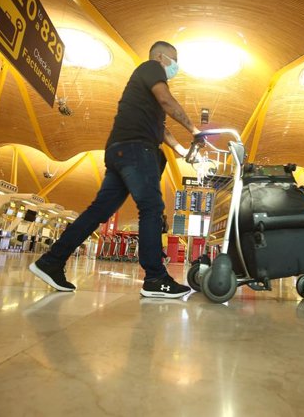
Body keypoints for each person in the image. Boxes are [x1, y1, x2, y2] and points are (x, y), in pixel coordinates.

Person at [30, 41, 200, 298]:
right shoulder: (151, 67)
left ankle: (51, 261)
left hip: (121, 151)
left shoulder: (144, 95)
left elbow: (161, 129)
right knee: (152, 209)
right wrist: (195, 131)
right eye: (173, 61)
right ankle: (155, 278)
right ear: (162, 57)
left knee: (98, 211)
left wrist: (184, 151)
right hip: (136, 150)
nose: (175, 67)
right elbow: (166, 100)